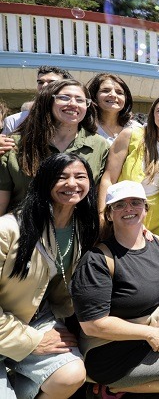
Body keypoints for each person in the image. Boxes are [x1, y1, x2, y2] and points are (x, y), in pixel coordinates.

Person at [71, 181, 159, 397]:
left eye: (135, 203)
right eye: (120, 205)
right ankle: (112, 388)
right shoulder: (97, 261)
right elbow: (93, 325)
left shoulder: (157, 243)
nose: (129, 209)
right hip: (111, 349)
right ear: (108, 214)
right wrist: (148, 333)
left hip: (153, 333)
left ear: (145, 209)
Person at [0, 153, 100, 399]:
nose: (72, 184)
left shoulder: (83, 226)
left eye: (80, 176)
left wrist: (141, 228)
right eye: (61, 177)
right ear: (44, 182)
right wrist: (31, 341)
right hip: (7, 325)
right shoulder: (8, 229)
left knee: (71, 374)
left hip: (36, 317)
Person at [0, 79, 109, 215]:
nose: (73, 104)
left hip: (77, 232)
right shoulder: (15, 144)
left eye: (80, 100)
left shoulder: (100, 145)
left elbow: (98, 197)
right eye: (64, 98)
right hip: (22, 230)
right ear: (47, 101)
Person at [99, 95, 159, 244]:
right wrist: (102, 215)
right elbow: (108, 178)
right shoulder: (131, 134)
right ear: (153, 113)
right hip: (126, 213)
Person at [2, 65, 73, 135]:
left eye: (52, 82)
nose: (44, 85)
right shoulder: (14, 121)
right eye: (40, 82)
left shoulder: (75, 118)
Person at [87, 73, 141, 144]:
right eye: (105, 91)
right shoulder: (85, 127)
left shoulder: (136, 128)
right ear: (94, 97)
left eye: (119, 92)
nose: (113, 95)